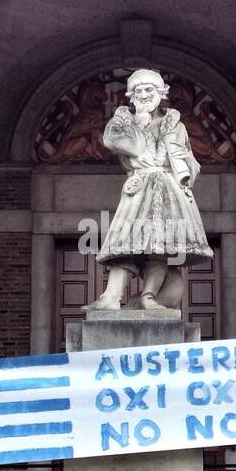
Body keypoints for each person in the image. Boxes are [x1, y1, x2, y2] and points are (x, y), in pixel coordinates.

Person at [90, 68, 214, 311]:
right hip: (138, 187)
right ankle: (111, 297)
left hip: (168, 189)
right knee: (127, 242)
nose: (144, 95)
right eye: (139, 91)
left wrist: (183, 173)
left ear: (161, 94)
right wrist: (140, 122)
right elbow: (117, 142)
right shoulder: (123, 120)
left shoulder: (175, 125)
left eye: (150, 90)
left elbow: (190, 161)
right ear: (131, 96)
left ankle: (148, 297)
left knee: (158, 247)